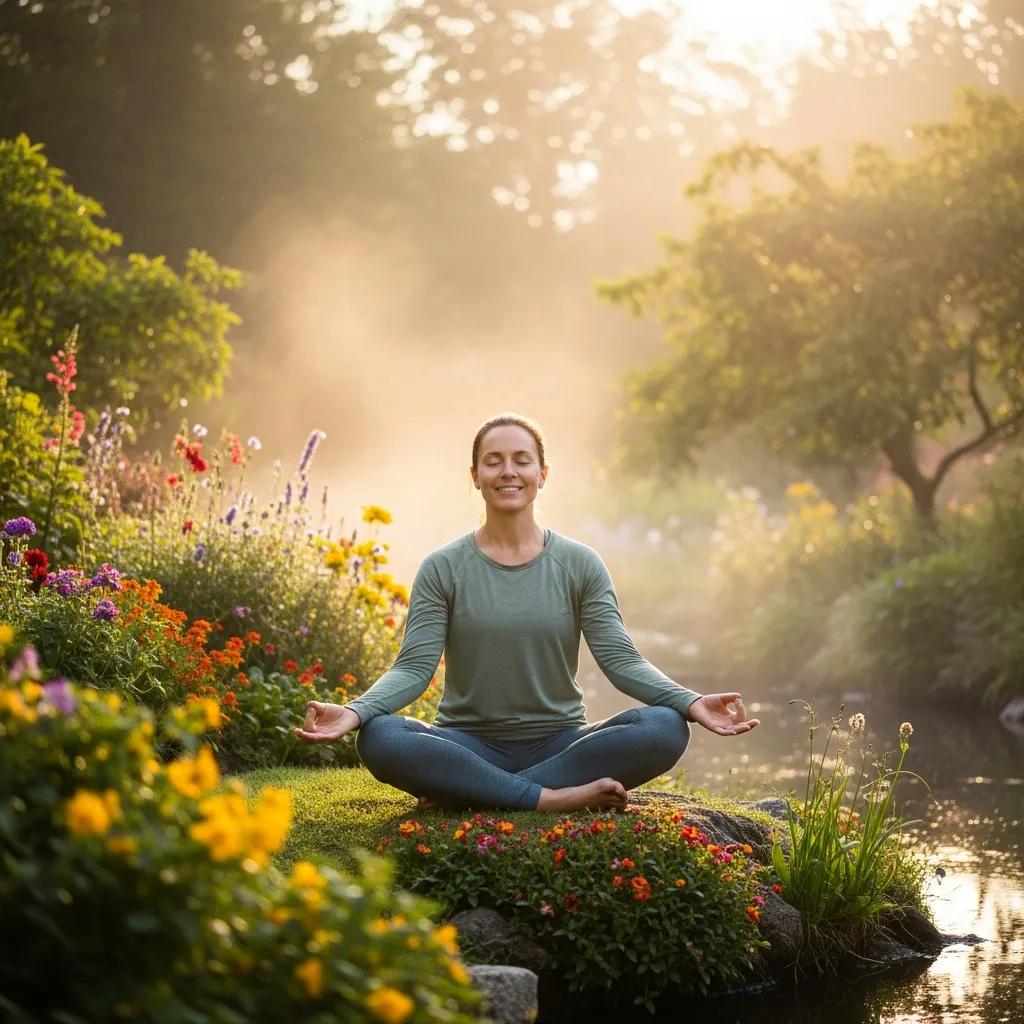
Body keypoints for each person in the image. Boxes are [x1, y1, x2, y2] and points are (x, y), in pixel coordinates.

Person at [294, 412, 759, 812]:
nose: (508, 472)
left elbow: (621, 662)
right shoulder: (443, 567)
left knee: (664, 727)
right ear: (475, 475)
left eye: (521, 460)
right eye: (493, 461)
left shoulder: (580, 563)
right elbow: (414, 670)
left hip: (562, 744)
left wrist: (690, 702)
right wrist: (356, 712)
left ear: (542, 473)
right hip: (467, 744)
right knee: (380, 737)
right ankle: (548, 798)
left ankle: (472, 792)